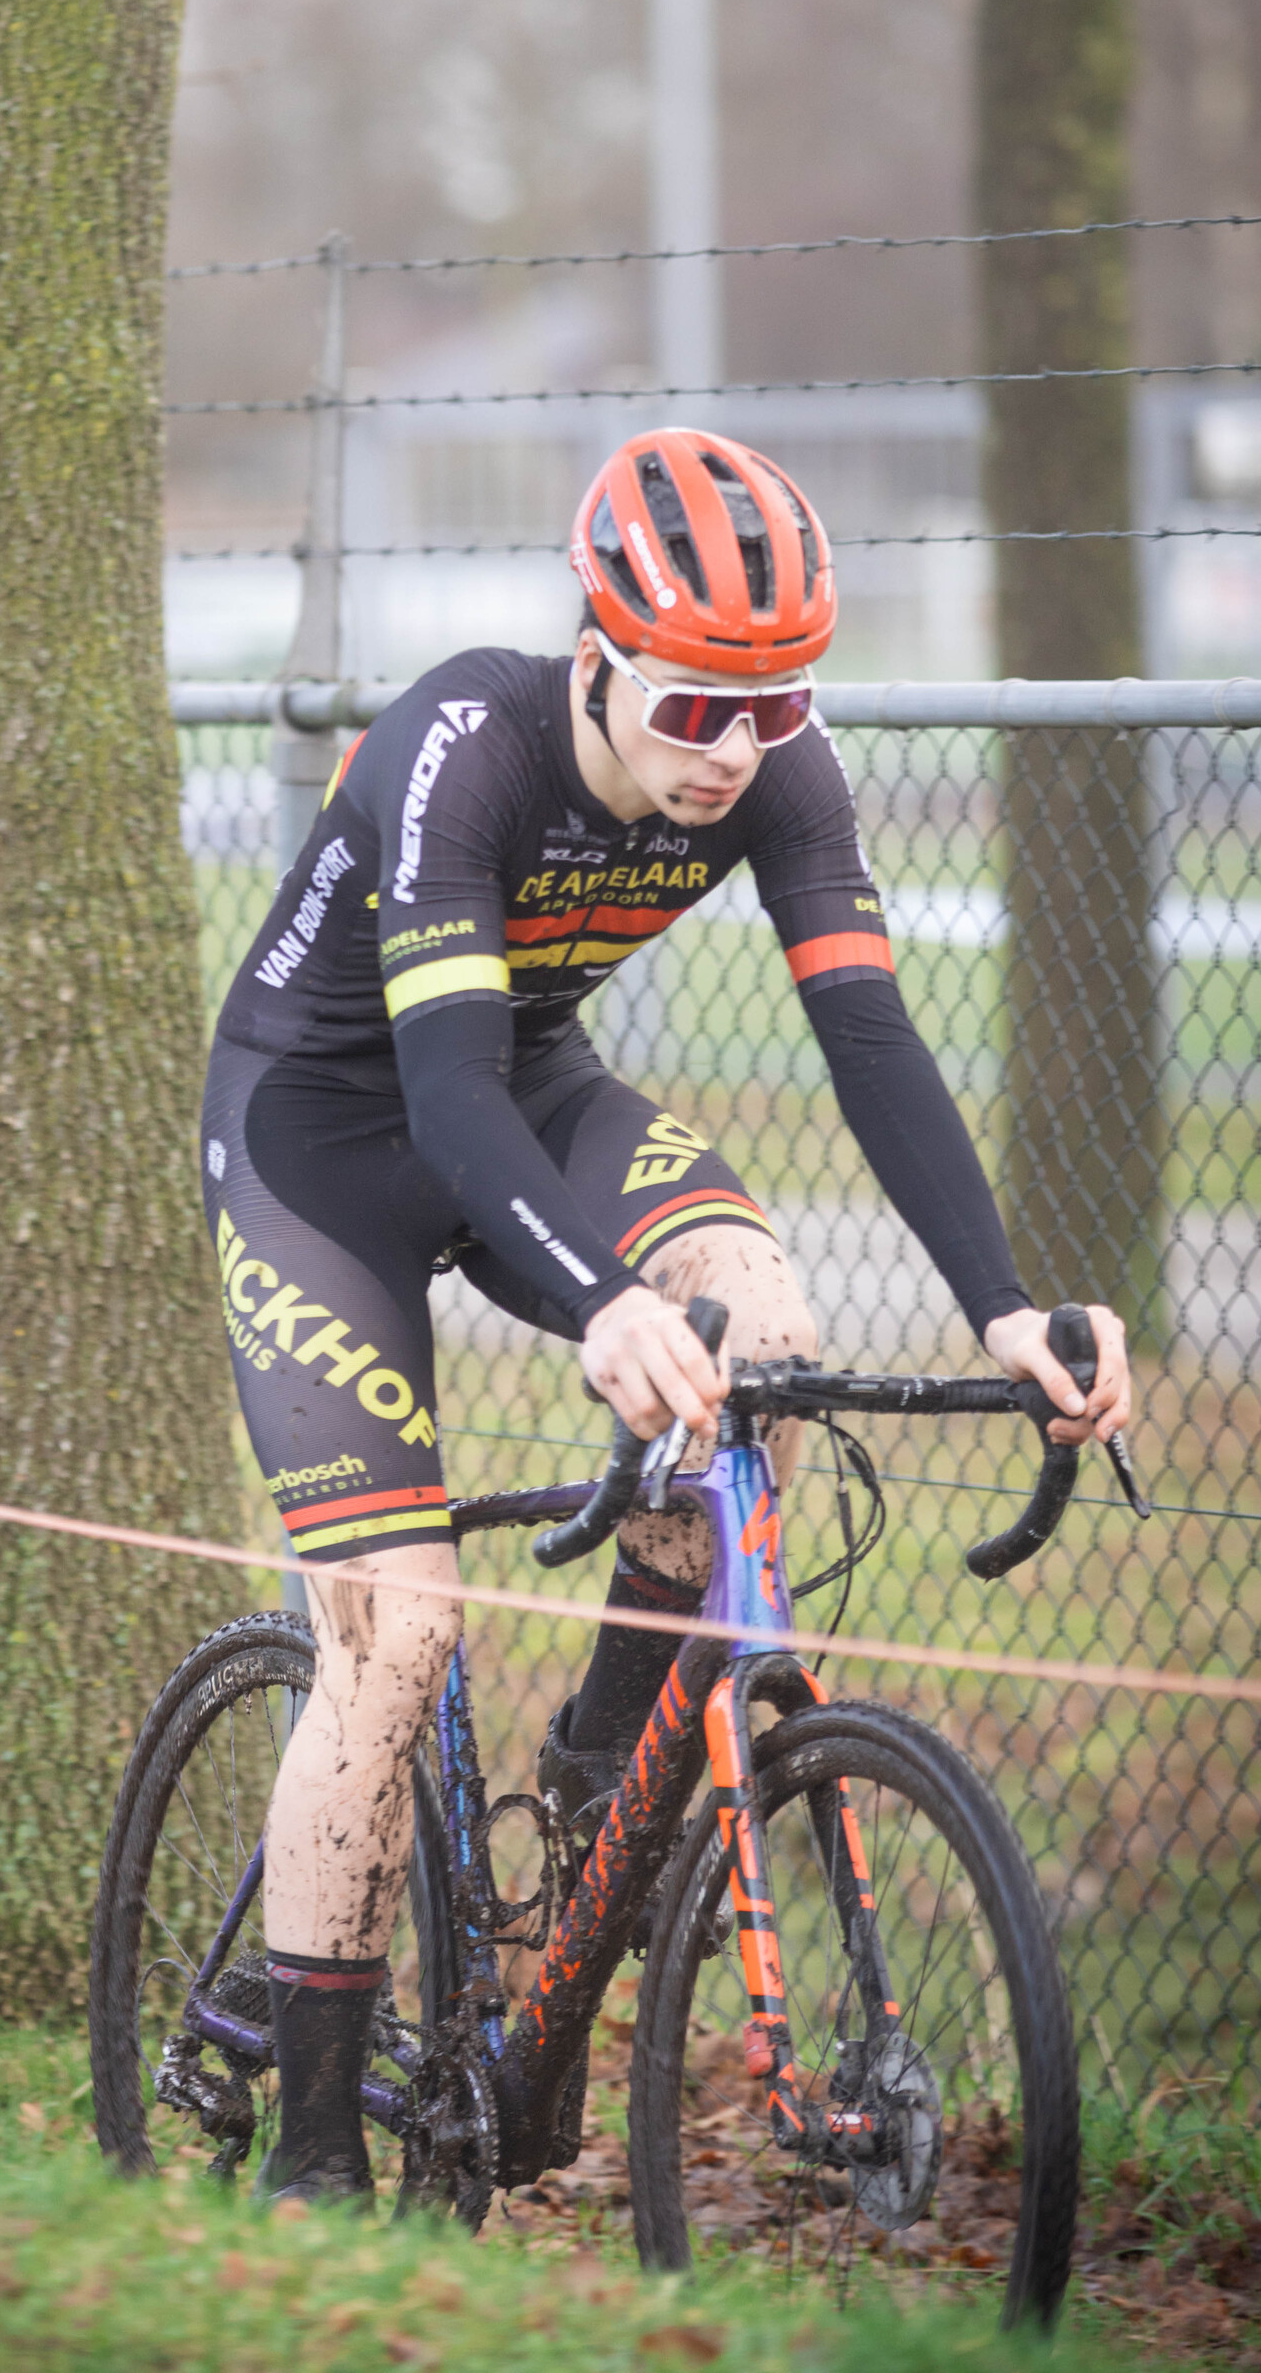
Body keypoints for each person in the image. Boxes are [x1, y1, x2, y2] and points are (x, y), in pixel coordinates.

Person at [200, 426, 1133, 2205]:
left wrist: (1005, 1305)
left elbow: (869, 1038)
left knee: (759, 1315)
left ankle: (595, 1764)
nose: (734, 751)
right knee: (396, 1639)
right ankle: (316, 2172)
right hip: (326, 1131)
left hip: (526, 1089)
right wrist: (602, 1302)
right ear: (599, 657)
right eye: (696, 707)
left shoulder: (779, 762)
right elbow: (445, 1090)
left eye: (776, 707)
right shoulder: (462, 745)